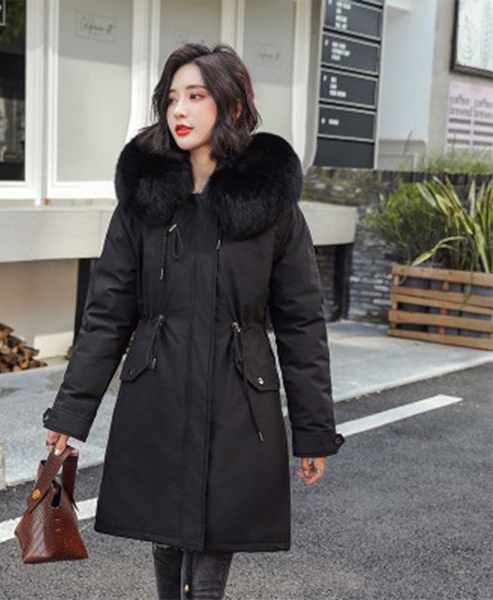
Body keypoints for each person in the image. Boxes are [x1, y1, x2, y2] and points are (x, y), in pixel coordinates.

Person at [43, 43, 346, 600]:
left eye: (196, 96)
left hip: (240, 396)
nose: (179, 110)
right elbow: (107, 313)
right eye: (171, 98)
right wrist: (71, 410)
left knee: (214, 539)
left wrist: (314, 431)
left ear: (233, 105)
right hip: (157, 388)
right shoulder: (143, 201)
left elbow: (302, 323)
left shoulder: (271, 205)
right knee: (165, 531)